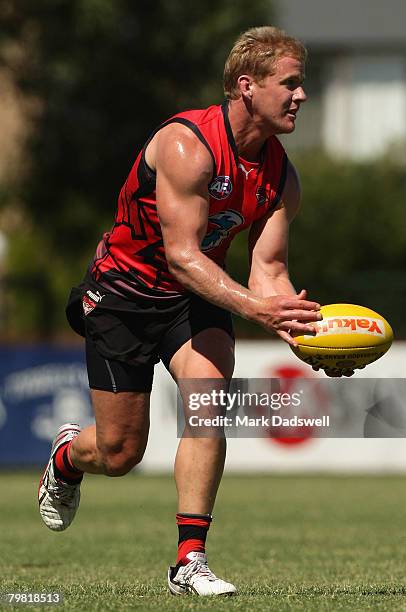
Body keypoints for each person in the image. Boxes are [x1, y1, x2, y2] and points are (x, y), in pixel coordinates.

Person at [38, 26, 327, 596]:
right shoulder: (185, 145)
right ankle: (70, 459)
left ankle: (188, 560)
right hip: (124, 294)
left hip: (196, 298)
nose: (301, 96)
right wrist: (259, 312)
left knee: (208, 406)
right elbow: (181, 256)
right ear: (247, 87)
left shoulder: (281, 176)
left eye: (302, 85)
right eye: (289, 84)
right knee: (120, 452)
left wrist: (304, 331)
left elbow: (268, 273)